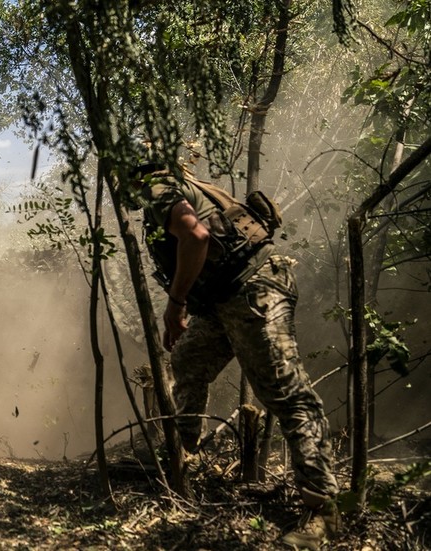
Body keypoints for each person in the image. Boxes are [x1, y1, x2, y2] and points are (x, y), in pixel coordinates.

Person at [131, 163, 340, 550]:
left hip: (253, 289)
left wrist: (175, 305)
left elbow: (196, 236)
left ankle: (322, 509)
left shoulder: (159, 188)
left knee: (285, 392)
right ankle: (181, 455)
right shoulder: (186, 183)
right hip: (230, 295)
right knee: (189, 359)